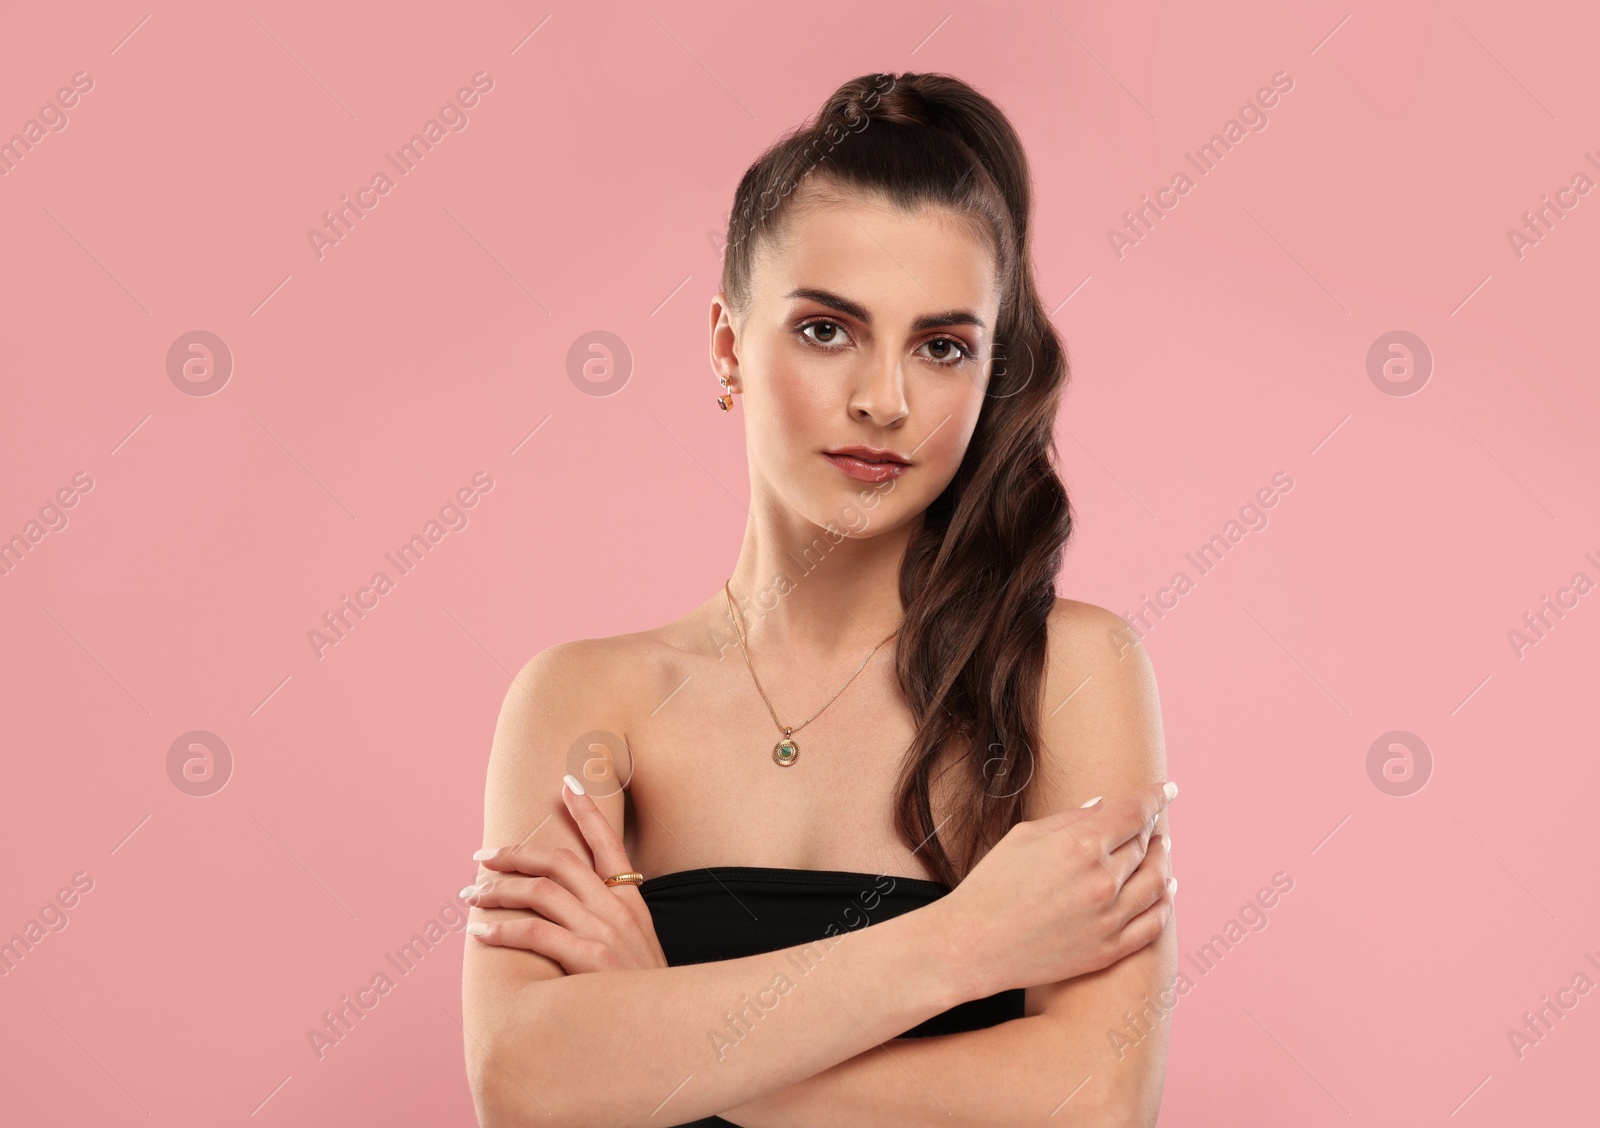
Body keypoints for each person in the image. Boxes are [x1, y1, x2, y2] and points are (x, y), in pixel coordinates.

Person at [461, 70, 1177, 1128]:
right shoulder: (583, 701)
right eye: (827, 330)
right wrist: (964, 943)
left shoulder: (1065, 675)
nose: (883, 400)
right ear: (725, 346)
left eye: (941, 348)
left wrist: (661, 1034)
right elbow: (525, 1084)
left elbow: (1092, 1103)